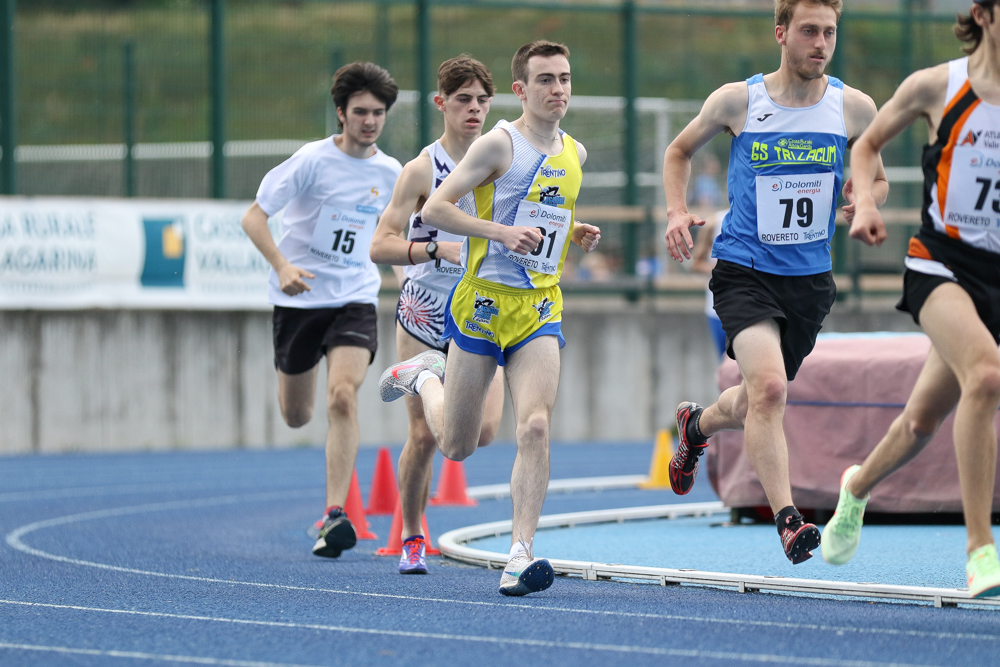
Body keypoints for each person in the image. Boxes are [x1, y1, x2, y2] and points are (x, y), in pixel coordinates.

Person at [662, 0, 889, 564]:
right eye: (809, 31)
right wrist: (676, 211)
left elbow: (878, 179)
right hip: (744, 271)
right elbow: (678, 151)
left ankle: (696, 425)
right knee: (768, 391)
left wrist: (863, 198)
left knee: (753, 399)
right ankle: (790, 521)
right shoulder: (739, 101)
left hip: (808, 281)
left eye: (829, 32)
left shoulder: (854, 108)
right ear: (782, 33)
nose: (821, 43)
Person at [377, 41, 601, 596]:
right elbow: (436, 209)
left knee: (535, 425)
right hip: (480, 304)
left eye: (565, 78)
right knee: (457, 446)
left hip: (539, 307)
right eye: (545, 79)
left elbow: (545, 213)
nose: (558, 89)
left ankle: (520, 554)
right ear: (521, 90)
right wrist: (500, 233)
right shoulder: (498, 145)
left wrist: (573, 232)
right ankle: (424, 376)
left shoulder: (576, 152)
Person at [821, 0, 1000, 598]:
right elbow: (865, 146)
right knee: (987, 376)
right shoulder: (936, 87)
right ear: (983, 15)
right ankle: (981, 551)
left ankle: (856, 487)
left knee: (922, 420)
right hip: (941, 263)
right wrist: (864, 205)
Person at [241, 62, 402, 559]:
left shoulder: (392, 173)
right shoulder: (311, 160)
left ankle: (335, 514)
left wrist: (408, 287)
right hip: (299, 298)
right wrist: (282, 266)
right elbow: (254, 217)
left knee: (343, 397)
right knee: (297, 415)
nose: (370, 121)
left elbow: (396, 236)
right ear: (341, 112)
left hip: (354, 296)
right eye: (361, 112)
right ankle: (332, 505)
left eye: (378, 113)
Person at [369, 56, 505, 575]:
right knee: (425, 436)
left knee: (482, 432)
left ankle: (424, 377)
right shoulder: (421, 169)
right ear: (441, 103)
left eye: (482, 101)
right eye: (463, 100)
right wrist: (433, 250)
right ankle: (411, 535)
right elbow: (380, 245)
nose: (474, 110)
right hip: (424, 312)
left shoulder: (504, 159)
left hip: (483, 309)